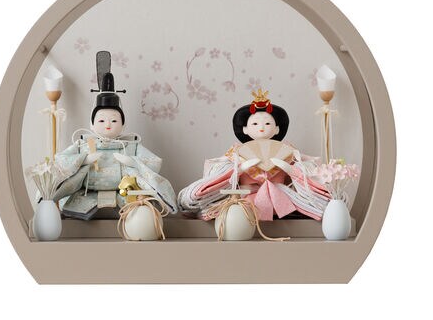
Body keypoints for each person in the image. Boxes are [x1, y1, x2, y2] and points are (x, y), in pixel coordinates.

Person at [178, 89, 328, 221]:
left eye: (267, 124)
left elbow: (308, 164)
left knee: (309, 205)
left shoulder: (287, 150)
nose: (261, 128)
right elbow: (219, 166)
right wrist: (241, 168)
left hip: (281, 195)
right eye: (255, 124)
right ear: (245, 129)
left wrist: (288, 168)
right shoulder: (237, 151)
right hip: (248, 195)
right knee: (236, 210)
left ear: (277, 129)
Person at [53, 70, 177, 220]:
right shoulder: (84, 144)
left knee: (138, 213)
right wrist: (83, 160)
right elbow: (61, 160)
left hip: (124, 195)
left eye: (114, 120)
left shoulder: (130, 145)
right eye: (101, 120)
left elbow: (154, 162)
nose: (108, 125)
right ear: (92, 124)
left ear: (123, 125)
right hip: (86, 195)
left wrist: (133, 162)